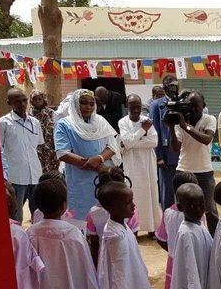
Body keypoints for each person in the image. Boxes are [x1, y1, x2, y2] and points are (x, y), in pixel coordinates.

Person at [54, 89, 122, 220]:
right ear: (75, 104)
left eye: (92, 104)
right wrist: (96, 166)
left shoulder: (100, 121)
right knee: (81, 219)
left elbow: (112, 146)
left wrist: (99, 158)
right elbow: (63, 153)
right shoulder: (64, 124)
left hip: (103, 178)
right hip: (80, 179)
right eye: (83, 103)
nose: (88, 107)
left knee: (103, 217)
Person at [156, 171, 206, 289]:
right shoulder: (198, 215)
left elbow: (161, 239)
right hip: (196, 263)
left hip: (174, 262)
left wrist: (174, 250)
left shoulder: (167, 212)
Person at [169, 91, 219, 218]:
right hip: (183, 171)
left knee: (210, 209)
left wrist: (186, 127)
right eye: (190, 105)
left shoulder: (210, 119)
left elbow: (207, 139)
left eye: (197, 105)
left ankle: (213, 237)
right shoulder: (180, 121)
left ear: (204, 105)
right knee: (182, 209)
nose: (194, 108)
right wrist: (171, 129)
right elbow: (175, 148)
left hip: (204, 171)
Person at [0, 88, 44, 223]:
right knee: (16, 216)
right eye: (17, 102)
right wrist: (4, 177)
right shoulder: (3, 123)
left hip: (35, 175)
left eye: (24, 100)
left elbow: (38, 147)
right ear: (9, 103)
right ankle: (18, 242)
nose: (22, 104)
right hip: (15, 178)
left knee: (38, 216)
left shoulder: (35, 123)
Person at [119, 94, 162, 236]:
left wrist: (131, 143)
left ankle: (151, 229)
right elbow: (127, 142)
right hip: (131, 167)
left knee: (151, 196)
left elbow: (153, 142)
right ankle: (134, 229)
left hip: (148, 166)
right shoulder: (123, 122)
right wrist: (143, 131)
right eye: (133, 106)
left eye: (138, 106)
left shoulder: (147, 121)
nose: (136, 109)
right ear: (127, 106)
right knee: (133, 197)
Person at [86, 168, 140, 265]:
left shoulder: (93, 213)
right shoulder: (131, 212)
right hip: (127, 262)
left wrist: (96, 268)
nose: (132, 205)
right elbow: (134, 241)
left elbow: (94, 245)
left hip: (103, 262)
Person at [151, 76, 181, 210]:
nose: (174, 88)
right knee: (167, 192)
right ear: (164, 87)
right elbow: (155, 131)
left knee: (182, 191)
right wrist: (159, 157)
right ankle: (167, 222)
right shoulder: (157, 104)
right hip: (166, 156)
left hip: (183, 155)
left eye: (176, 85)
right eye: (170, 85)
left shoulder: (182, 102)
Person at [29, 89, 59, 173]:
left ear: (43, 99)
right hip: (36, 147)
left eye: (39, 99)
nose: (37, 101)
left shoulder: (51, 113)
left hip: (50, 146)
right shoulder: (29, 115)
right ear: (31, 101)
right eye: (35, 99)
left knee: (52, 170)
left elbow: (56, 128)